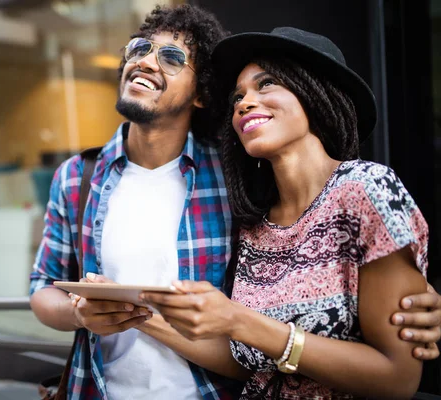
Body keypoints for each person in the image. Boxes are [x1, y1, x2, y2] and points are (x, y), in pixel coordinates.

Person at [30, 5, 441, 399]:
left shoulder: (240, 186)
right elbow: (42, 289)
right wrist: (94, 313)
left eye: (171, 57)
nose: (147, 62)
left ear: (200, 95)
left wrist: (408, 298)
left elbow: (386, 358)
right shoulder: (78, 178)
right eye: (139, 49)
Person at [141, 27, 436, 399]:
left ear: (313, 92)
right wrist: (138, 316)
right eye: (238, 96)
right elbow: (248, 360)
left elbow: (397, 379)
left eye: (266, 84)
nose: (244, 103)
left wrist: (240, 320)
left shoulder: (366, 189)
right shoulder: (255, 227)